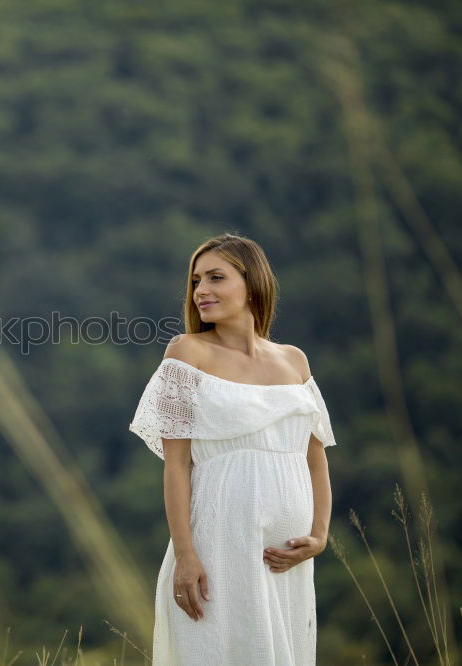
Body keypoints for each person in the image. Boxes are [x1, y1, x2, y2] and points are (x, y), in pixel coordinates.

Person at [128, 233, 337, 665]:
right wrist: (186, 555)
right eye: (196, 280)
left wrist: (319, 534)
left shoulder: (294, 360)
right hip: (218, 547)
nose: (201, 290)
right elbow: (177, 465)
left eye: (216, 277)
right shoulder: (188, 352)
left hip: (286, 559)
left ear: (252, 282)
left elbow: (315, 458)